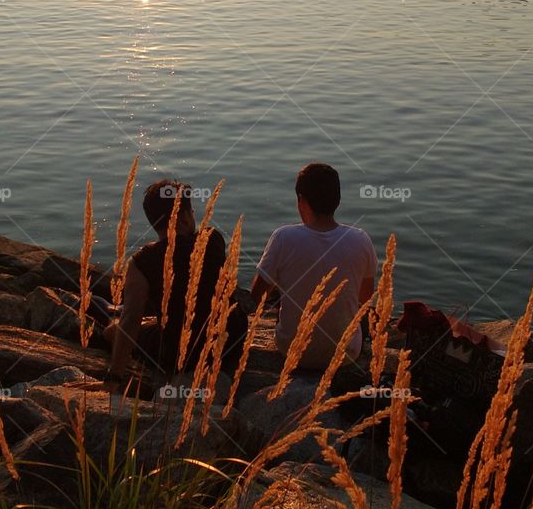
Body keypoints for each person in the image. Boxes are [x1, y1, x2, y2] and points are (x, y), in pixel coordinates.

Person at [104, 179, 245, 392]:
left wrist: (113, 378)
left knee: (113, 329)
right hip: (230, 342)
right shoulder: (213, 238)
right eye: (192, 211)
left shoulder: (141, 263)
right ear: (184, 217)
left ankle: (108, 317)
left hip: (181, 354)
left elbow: (131, 319)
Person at [251, 163, 377, 371]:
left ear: (301, 201)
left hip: (292, 350)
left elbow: (256, 296)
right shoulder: (361, 240)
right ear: (337, 201)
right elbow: (364, 299)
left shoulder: (283, 237)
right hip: (346, 353)